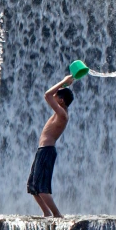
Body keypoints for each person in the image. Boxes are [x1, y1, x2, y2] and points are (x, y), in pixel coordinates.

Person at [27, 74, 75, 218]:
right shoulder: (60, 111)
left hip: (47, 150)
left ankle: (57, 215)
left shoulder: (62, 114)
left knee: (41, 188)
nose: (54, 97)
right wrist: (65, 86)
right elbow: (53, 95)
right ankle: (46, 213)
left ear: (61, 100)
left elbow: (47, 95)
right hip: (42, 150)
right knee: (32, 187)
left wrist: (64, 81)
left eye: (57, 96)